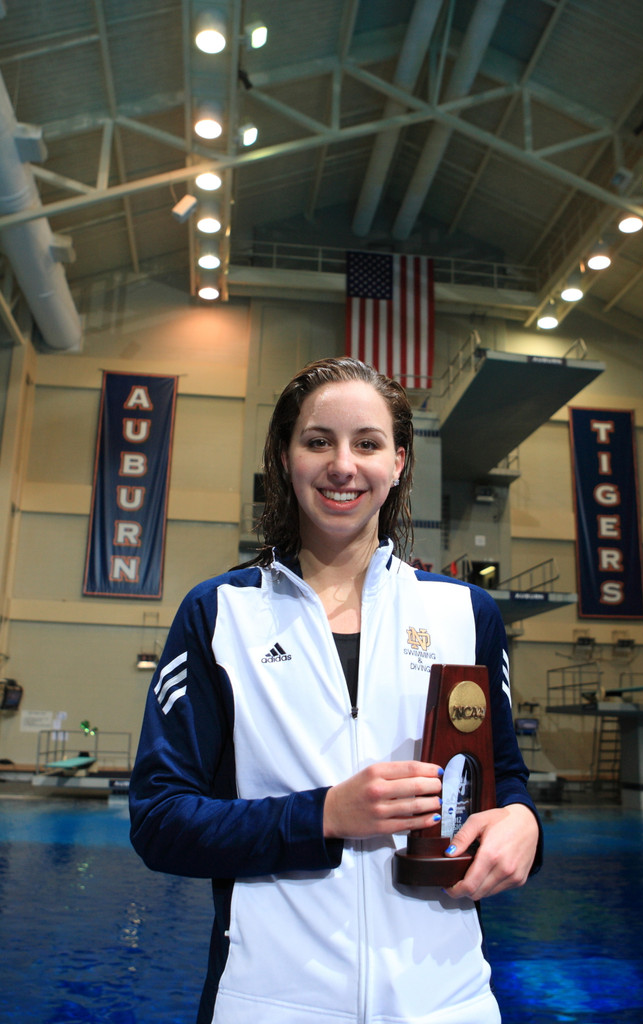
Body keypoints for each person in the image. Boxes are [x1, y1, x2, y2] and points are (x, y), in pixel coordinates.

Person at [129, 356, 541, 1024]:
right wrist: (322, 815)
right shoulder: (219, 615)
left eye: (368, 443)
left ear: (399, 461)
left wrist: (524, 823)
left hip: (446, 1001)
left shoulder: (466, 615)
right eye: (318, 441)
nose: (342, 465)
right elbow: (159, 822)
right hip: (269, 1001)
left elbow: (503, 780)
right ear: (284, 458)